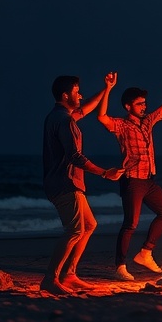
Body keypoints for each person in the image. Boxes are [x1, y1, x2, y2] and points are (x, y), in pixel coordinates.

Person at [98, 68, 162, 279]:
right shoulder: (121, 125)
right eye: (140, 104)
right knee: (130, 223)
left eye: (144, 103)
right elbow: (102, 116)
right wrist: (108, 88)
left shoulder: (147, 122)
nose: (144, 107)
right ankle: (120, 267)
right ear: (128, 106)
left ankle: (145, 253)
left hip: (149, 180)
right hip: (132, 181)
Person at [41, 74, 124, 294]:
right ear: (65, 95)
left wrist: (107, 89)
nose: (81, 95)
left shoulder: (60, 116)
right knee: (75, 229)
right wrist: (105, 173)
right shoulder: (63, 120)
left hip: (67, 182)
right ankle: (50, 279)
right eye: (77, 92)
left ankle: (69, 275)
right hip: (65, 182)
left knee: (88, 225)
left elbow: (85, 109)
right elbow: (75, 156)